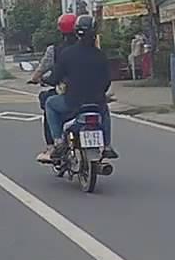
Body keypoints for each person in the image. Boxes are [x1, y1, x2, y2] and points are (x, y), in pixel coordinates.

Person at [38, 14, 117, 163]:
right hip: (96, 102)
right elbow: (107, 81)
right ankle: (107, 145)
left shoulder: (67, 54)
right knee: (104, 109)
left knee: (50, 103)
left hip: (72, 102)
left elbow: (55, 77)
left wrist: (45, 79)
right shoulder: (100, 55)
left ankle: (58, 141)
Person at [29, 13, 78, 148]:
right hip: (93, 96)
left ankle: (54, 143)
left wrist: (36, 78)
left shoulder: (57, 51)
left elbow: (46, 71)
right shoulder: (91, 49)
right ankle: (107, 145)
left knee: (48, 102)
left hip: (69, 95)